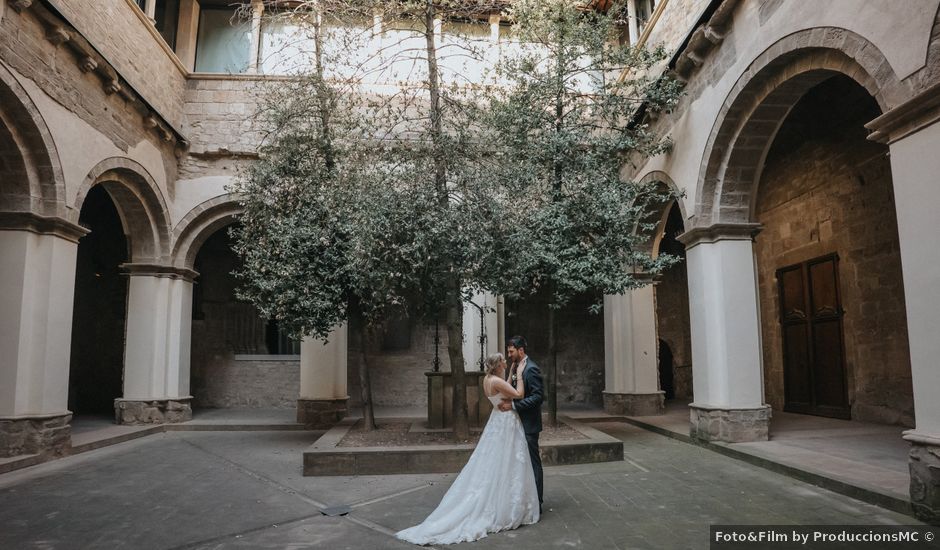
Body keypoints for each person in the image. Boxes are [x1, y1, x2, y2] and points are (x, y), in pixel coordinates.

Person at [395, 353, 540, 545]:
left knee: (495, 460)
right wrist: (519, 375)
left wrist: (512, 371)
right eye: (503, 361)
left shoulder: (489, 379)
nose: (506, 362)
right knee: (505, 459)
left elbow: (503, 388)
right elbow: (519, 394)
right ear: (497, 365)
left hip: (497, 420)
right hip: (506, 423)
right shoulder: (497, 380)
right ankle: (503, 504)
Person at [498, 335, 544, 511]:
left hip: (530, 424)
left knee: (533, 463)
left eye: (511, 351)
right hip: (517, 423)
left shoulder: (531, 369)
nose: (509, 355)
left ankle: (537, 502)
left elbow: (538, 397)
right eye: (508, 351)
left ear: (521, 350)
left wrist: (514, 406)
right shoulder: (516, 367)